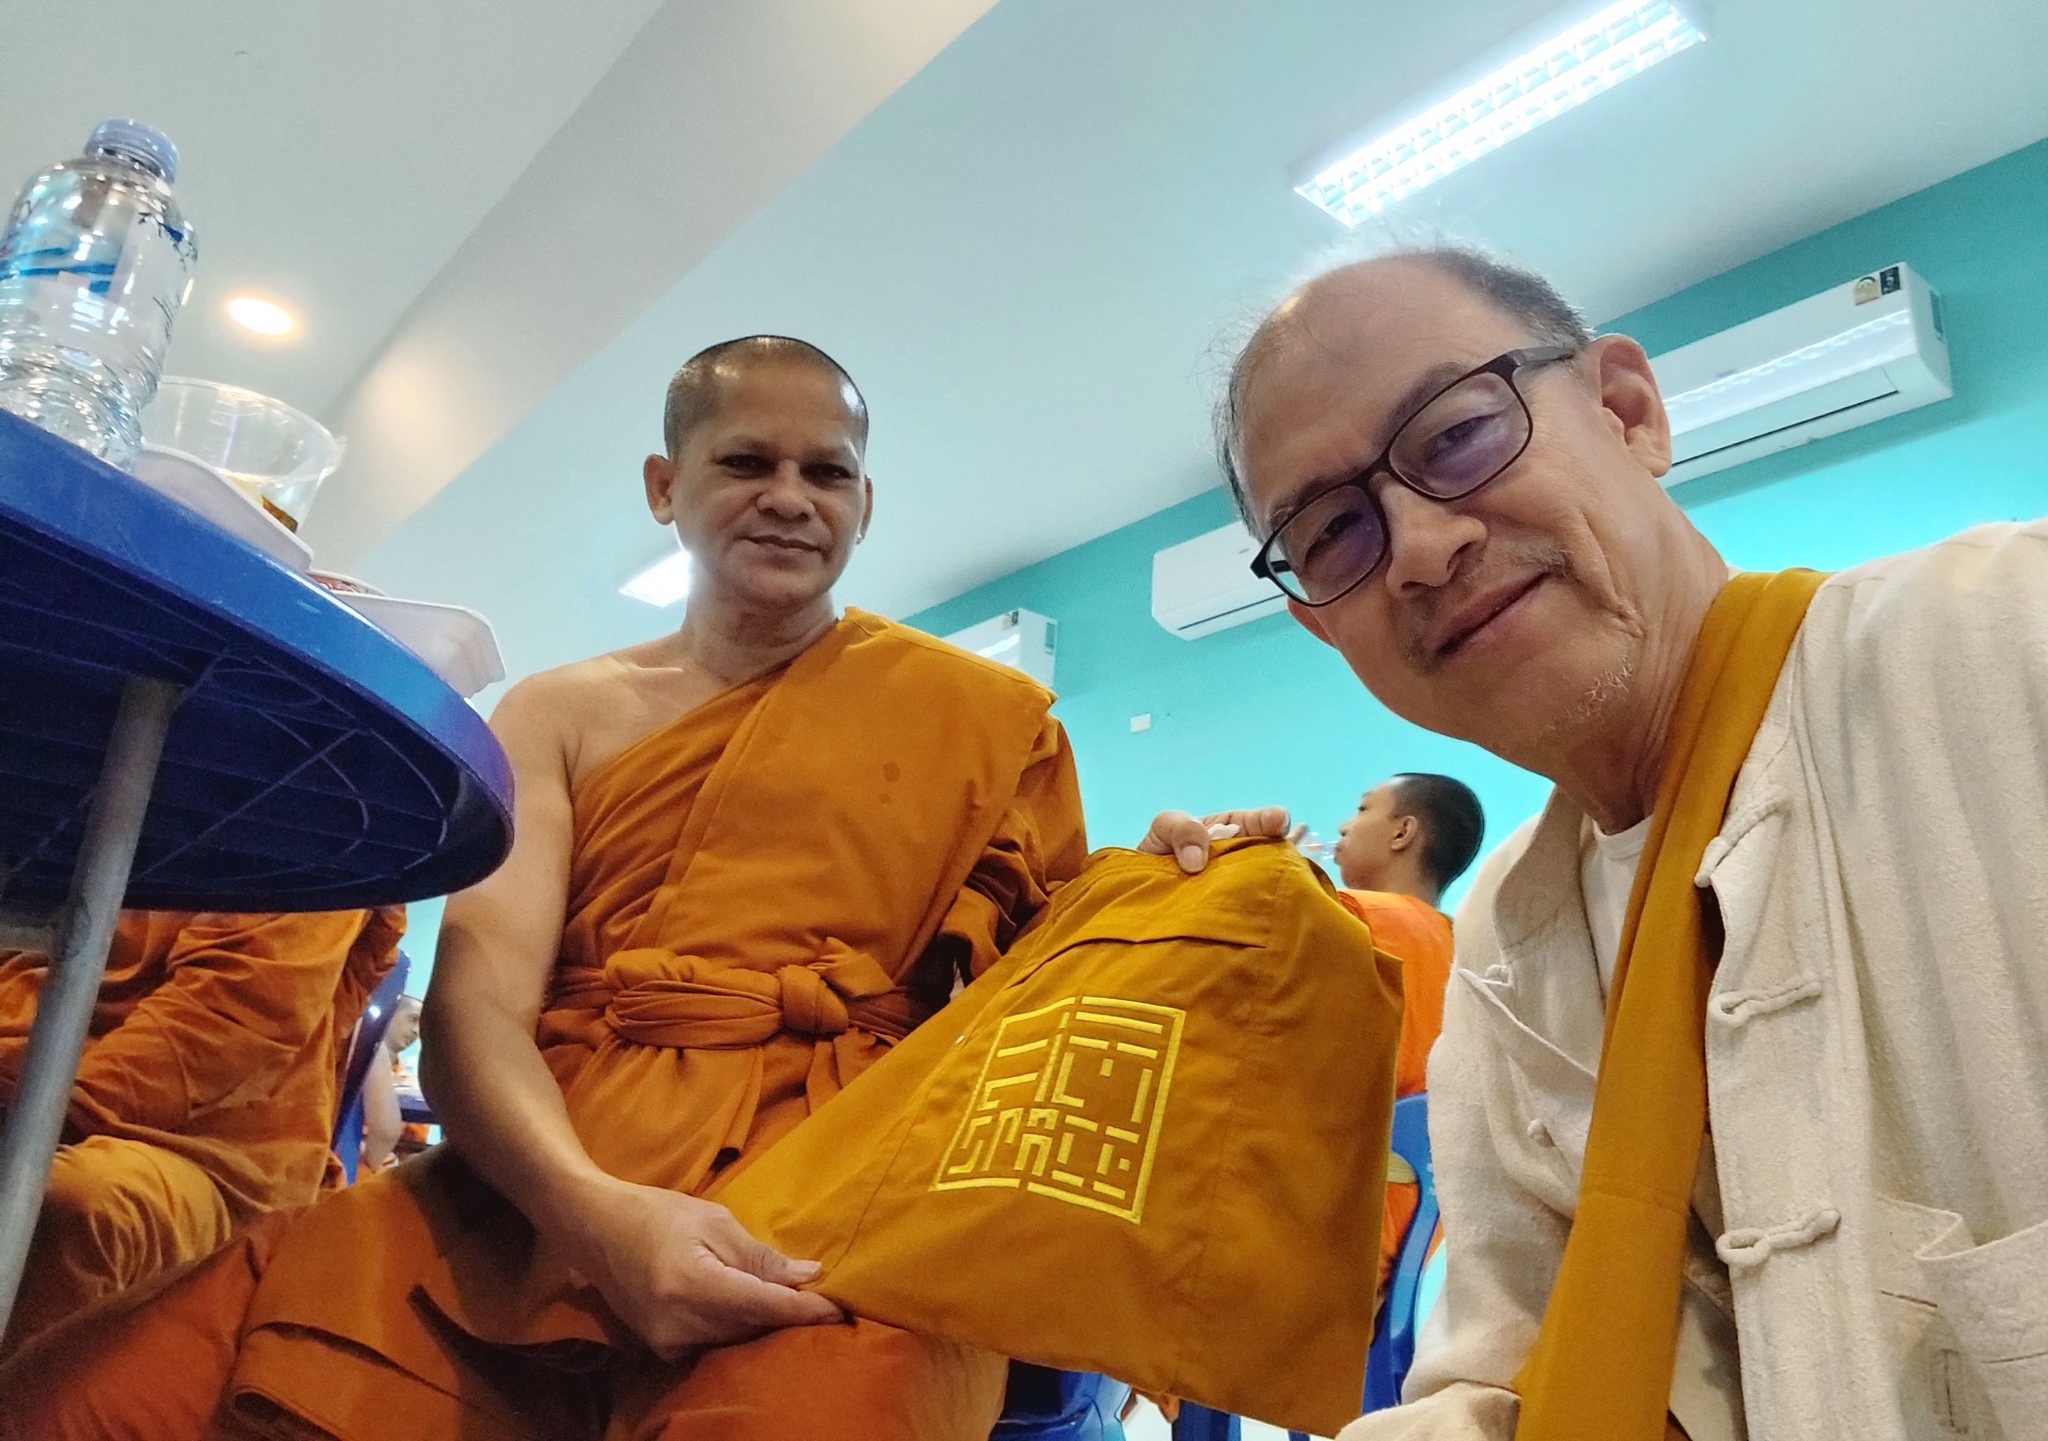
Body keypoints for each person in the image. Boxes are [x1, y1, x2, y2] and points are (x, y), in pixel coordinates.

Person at [0, 335, 1087, 1441]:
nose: (788, 497)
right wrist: (594, 1219)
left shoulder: (987, 721)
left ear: (865, 503)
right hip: (539, 1186)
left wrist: (1174, 878)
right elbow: (478, 1017)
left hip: (838, 1204)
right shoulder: (559, 713)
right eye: (746, 461)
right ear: (664, 487)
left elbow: (1064, 1003)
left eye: (827, 472)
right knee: (87, 1401)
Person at [1145, 245, 2048, 1441]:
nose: (1418, 548)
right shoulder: (1506, 935)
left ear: (1626, 413)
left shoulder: (2000, 639)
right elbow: (1506, 1375)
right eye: (1331, 534)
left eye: (1455, 435)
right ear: (1323, 628)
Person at [0, 905, 403, 1350]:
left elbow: (231, 1018)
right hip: (38, 1091)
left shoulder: (311, 866)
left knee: (63, 1203)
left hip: (214, 1154)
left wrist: (35, 1118)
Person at [1330, 772, 1482, 1295]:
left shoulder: (1350, 915)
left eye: (1363, 809)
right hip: (1399, 1258)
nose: (1343, 826)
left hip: (1319, 1240)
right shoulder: (1465, 946)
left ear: (1403, 833)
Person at [359, 993, 426, 1174]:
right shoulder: (365, 1058)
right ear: (389, 1015)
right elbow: (385, 1133)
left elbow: (414, 1143)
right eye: (412, 1019)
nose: (416, 1031)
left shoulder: (407, 1077)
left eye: (421, 1025)